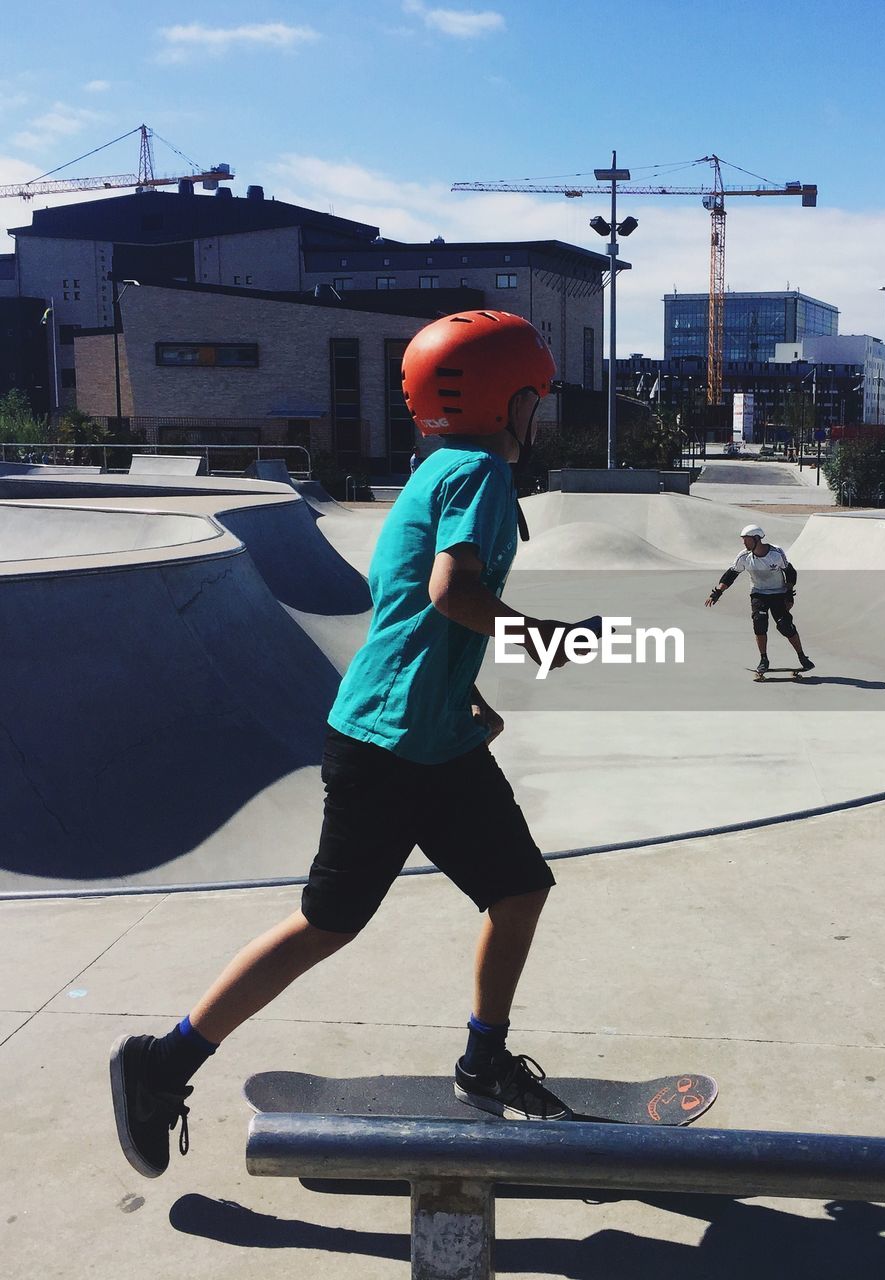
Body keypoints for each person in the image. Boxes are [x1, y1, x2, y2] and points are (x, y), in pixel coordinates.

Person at [110, 310, 584, 1180]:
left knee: (518, 890)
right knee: (328, 923)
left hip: (430, 737)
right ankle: (163, 1061)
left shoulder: (433, 470)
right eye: (536, 397)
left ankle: (484, 1057)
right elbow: (449, 592)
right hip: (390, 748)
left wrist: (463, 689)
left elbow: (403, 604)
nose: (539, 414)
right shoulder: (477, 472)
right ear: (505, 400)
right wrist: (540, 640)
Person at [705, 524, 814, 676]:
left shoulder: (776, 553)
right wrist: (717, 593)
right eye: (743, 540)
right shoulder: (744, 557)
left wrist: (789, 593)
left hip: (778, 593)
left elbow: (790, 572)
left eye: (746, 540)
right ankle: (764, 660)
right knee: (759, 623)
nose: (744, 543)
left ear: (756, 539)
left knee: (785, 626)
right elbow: (731, 575)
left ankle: (802, 657)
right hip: (758, 594)